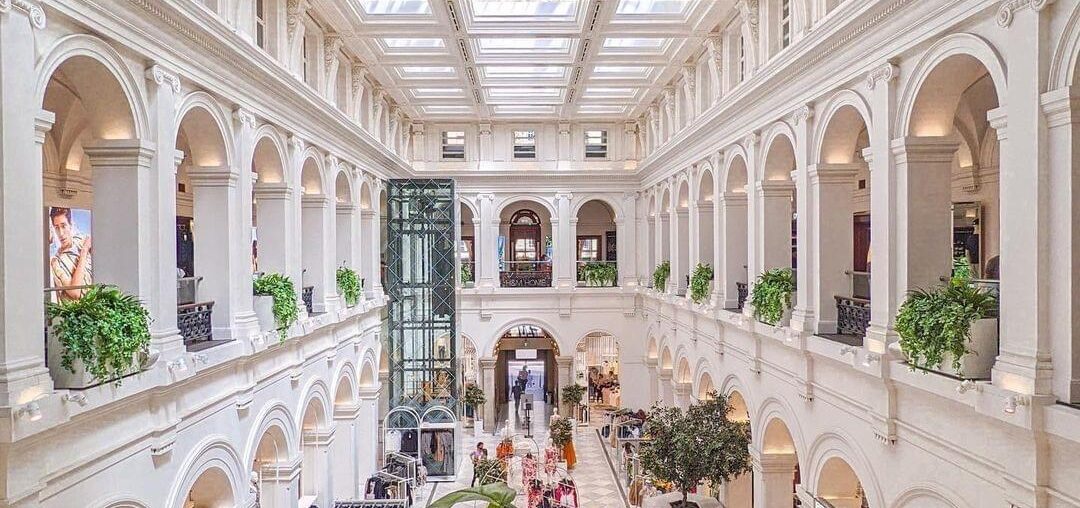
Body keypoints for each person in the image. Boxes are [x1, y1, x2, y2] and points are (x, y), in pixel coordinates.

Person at [49, 207, 92, 302]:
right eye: (57, 228)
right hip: (81, 313)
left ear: (71, 225)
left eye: (63, 226)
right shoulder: (56, 262)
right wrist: (84, 252)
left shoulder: (81, 240)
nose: (61, 233)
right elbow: (75, 292)